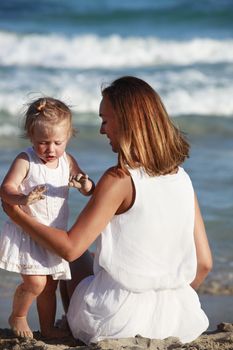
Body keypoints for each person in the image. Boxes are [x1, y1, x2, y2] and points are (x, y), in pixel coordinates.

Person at [2, 77, 212, 345]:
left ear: (126, 122)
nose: (102, 130)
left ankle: (71, 320)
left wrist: (17, 215)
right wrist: (160, 301)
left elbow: (69, 249)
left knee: (73, 257)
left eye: (105, 119)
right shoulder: (182, 177)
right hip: (178, 318)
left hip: (113, 318)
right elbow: (203, 264)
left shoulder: (120, 178)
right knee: (96, 254)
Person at [0, 97, 94, 339]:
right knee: (36, 284)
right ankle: (18, 315)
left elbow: (87, 186)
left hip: (54, 235)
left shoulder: (67, 161)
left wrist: (84, 184)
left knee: (49, 287)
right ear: (30, 137)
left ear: (68, 137)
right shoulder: (26, 160)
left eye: (57, 142)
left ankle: (48, 328)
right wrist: (22, 199)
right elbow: (6, 188)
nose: (50, 149)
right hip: (29, 234)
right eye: (43, 142)